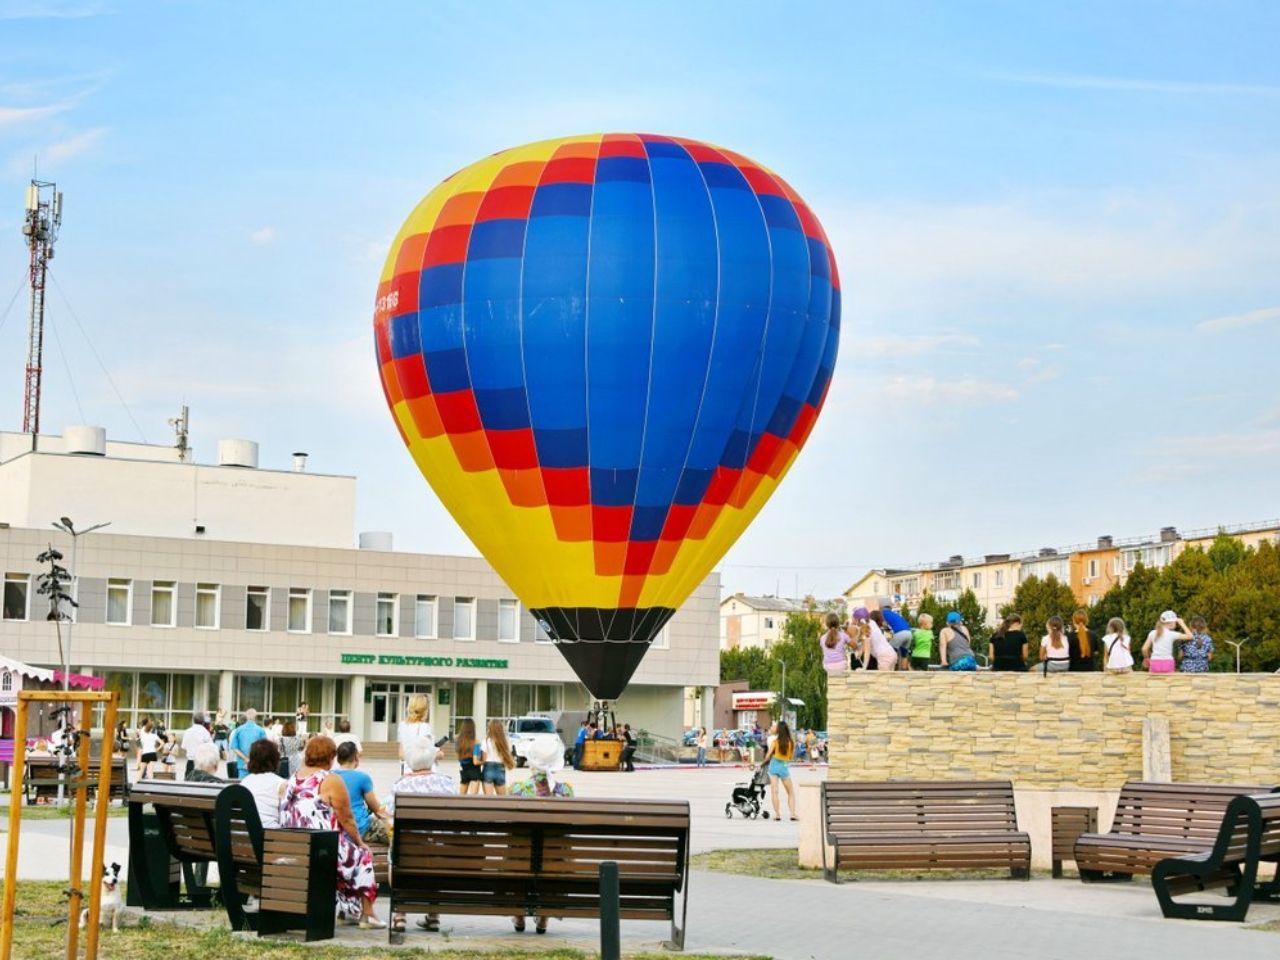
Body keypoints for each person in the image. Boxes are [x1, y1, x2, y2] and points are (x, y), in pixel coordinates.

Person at [282, 736, 383, 929]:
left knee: (347, 855)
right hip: (321, 848)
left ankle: (347, 910)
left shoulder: (292, 779)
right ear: (330, 757)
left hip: (294, 846)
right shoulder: (330, 780)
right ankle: (368, 914)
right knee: (362, 856)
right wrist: (360, 842)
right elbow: (346, 819)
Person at [386, 738, 457, 934]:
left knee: (395, 855)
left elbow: (388, 816)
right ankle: (433, 914)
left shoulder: (400, 785)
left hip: (408, 852)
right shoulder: (447, 783)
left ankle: (400, 915)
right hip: (441, 852)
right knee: (434, 853)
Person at [508, 737, 573, 935]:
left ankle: (519, 914)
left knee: (515, 852)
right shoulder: (565, 791)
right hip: (553, 862)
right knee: (556, 855)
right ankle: (543, 917)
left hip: (522, 861)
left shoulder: (518, 790)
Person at [335, 741, 391, 844]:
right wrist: (390, 818)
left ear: (338, 758)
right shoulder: (362, 778)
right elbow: (377, 810)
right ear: (356, 757)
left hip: (336, 829)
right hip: (360, 828)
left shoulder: (329, 776)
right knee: (394, 835)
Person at [241, 739, 287, 828]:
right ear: (275, 760)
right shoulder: (281, 783)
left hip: (246, 834)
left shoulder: (244, 782)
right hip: (271, 834)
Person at [763, 721, 797, 821]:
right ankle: (792, 814)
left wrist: (762, 763)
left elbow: (767, 756)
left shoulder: (774, 742)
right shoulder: (791, 742)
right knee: (790, 792)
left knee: (774, 791)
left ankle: (777, 814)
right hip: (783, 766)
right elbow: (790, 757)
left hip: (773, 765)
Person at [1143, 610, 1189, 674]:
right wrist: (1182, 624)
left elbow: (1144, 649)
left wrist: (1146, 658)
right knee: (1169, 683)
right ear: (1171, 623)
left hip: (1155, 661)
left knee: (1154, 683)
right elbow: (1190, 636)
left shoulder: (1152, 633)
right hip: (1168, 662)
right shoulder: (1172, 634)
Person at [479, 719, 516, 795]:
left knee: (489, 801)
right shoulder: (506, 741)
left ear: (490, 729)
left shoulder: (486, 741)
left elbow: (484, 759)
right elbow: (509, 754)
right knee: (502, 800)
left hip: (488, 768)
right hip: (500, 769)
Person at [397, 694, 433, 772]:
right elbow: (426, 754)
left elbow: (401, 754)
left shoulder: (403, 726)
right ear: (424, 710)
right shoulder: (424, 727)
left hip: (407, 770)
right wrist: (439, 754)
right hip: (423, 771)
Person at [855, 607, 897, 671]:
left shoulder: (866, 629)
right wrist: (860, 651)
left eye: (855, 619)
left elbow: (867, 650)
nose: (855, 622)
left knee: (884, 680)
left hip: (884, 657)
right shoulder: (872, 623)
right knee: (890, 679)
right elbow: (867, 643)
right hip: (891, 653)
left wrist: (864, 668)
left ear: (858, 620)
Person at [228, 708, 267, 778]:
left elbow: (234, 747)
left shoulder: (238, 730)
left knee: (243, 787)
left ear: (246, 717)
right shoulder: (261, 730)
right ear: (256, 717)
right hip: (257, 765)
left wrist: (245, 759)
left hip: (242, 765)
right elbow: (265, 747)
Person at [180, 712, 213, 778]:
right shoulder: (205, 732)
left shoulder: (188, 731)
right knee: (201, 783)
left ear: (193, 720)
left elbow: (183, 746)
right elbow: (211, 746)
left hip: (190, 762)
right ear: (203, 721)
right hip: (202, 762)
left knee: (188, 782)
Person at [818, 612, 850, 677]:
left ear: (827, 624)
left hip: (827, 666)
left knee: (831, 681)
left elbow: (824, 652)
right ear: (838, 624)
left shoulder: (822, 638)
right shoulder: (843, 635)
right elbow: (854, 646)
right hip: (841, 665)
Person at [455, 718, 482, 795]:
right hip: (474, 771)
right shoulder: (476, 742)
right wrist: (483, 762)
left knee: (461, 798)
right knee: (473, 799)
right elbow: (476, 761)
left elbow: (458, 758)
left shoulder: (458, 741)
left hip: (464, 770)